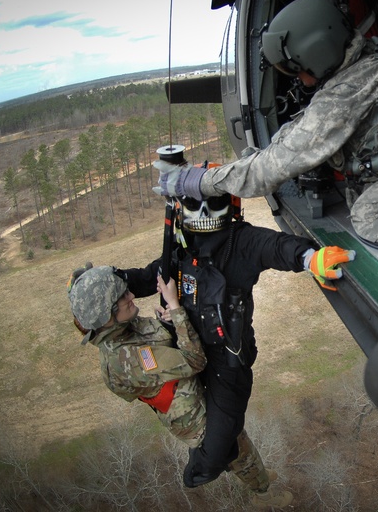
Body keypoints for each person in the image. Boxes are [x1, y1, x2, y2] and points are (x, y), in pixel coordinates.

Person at [155, 0, 378, 272]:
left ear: (317, 52)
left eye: (296, 67)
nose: (297, 77)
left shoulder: (349, 89)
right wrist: (236, 167)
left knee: (370, 219)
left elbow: (276, 166)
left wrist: (200, 182)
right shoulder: (362, 63)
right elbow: (296, 133)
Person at [113, 187, 355, 508]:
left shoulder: (239, 242)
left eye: (209, 203)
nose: (201, 213)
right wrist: (109, 279)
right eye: (195, 204)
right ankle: (246, 473)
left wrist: (309, 257)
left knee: (218, 443)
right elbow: (145, 278)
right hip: (184, 352)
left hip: (226, 360)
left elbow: (276, 246)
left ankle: (220, 473)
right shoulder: (181, 249)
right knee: (213, 434)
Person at [67, 264, 207, 447]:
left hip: (201, 389)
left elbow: (157, 343)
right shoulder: (125, 361)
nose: (131, 296)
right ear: (107, 315)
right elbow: (195, 360)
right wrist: (174, 305)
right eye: (123, 296)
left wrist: (167, 321)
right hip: (201, 422)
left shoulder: (121, 327)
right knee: (247, 463)